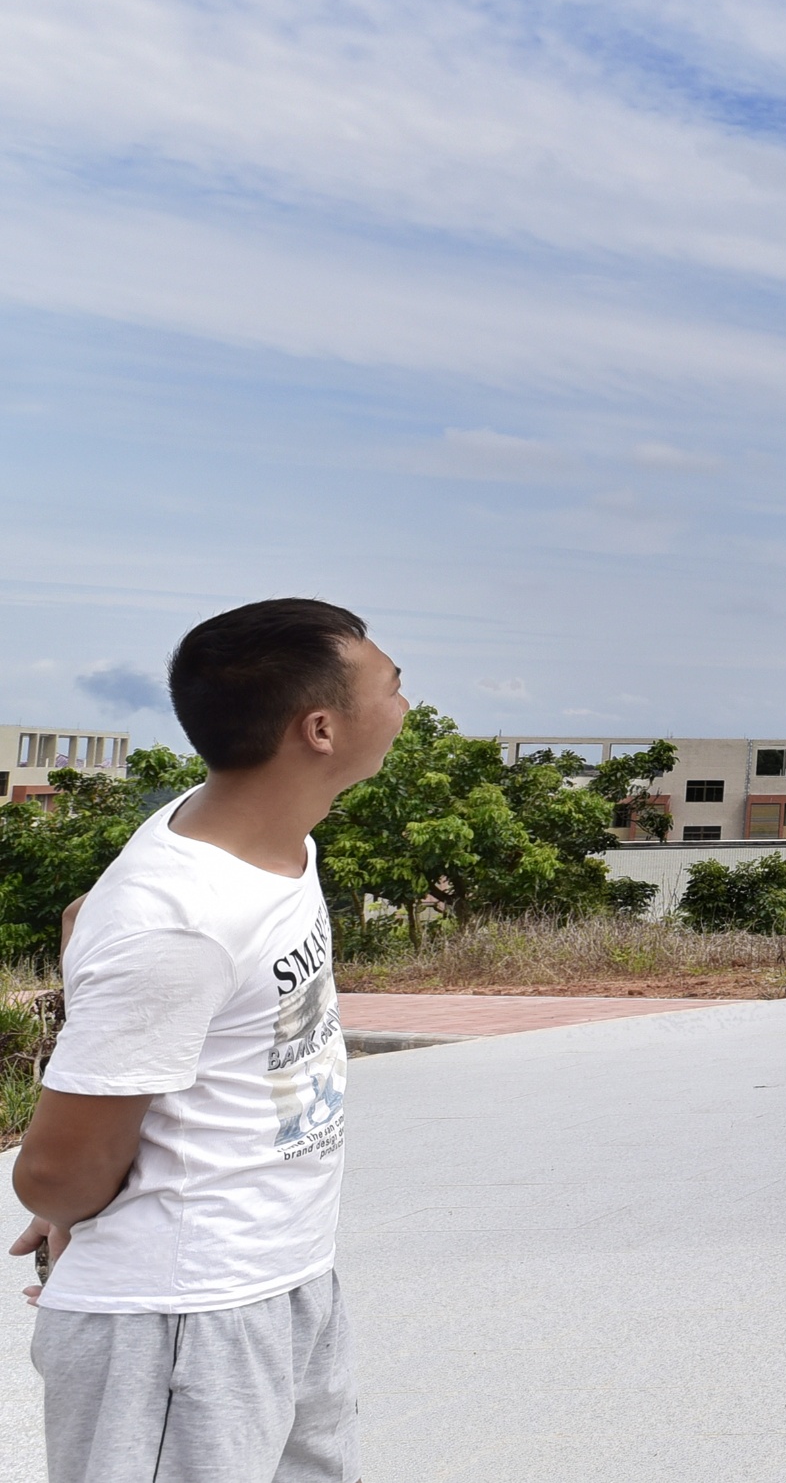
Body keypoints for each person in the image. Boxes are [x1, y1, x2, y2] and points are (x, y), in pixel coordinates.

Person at [17, 598, 408, 1483]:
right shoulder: (178, 916)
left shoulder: (259, 836)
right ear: (320, 727)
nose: (405, 705)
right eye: (392, 685)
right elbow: (50, 1173)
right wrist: (79, 1195)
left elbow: (87, 917)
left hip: (283, 1272)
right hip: (180, 1313)